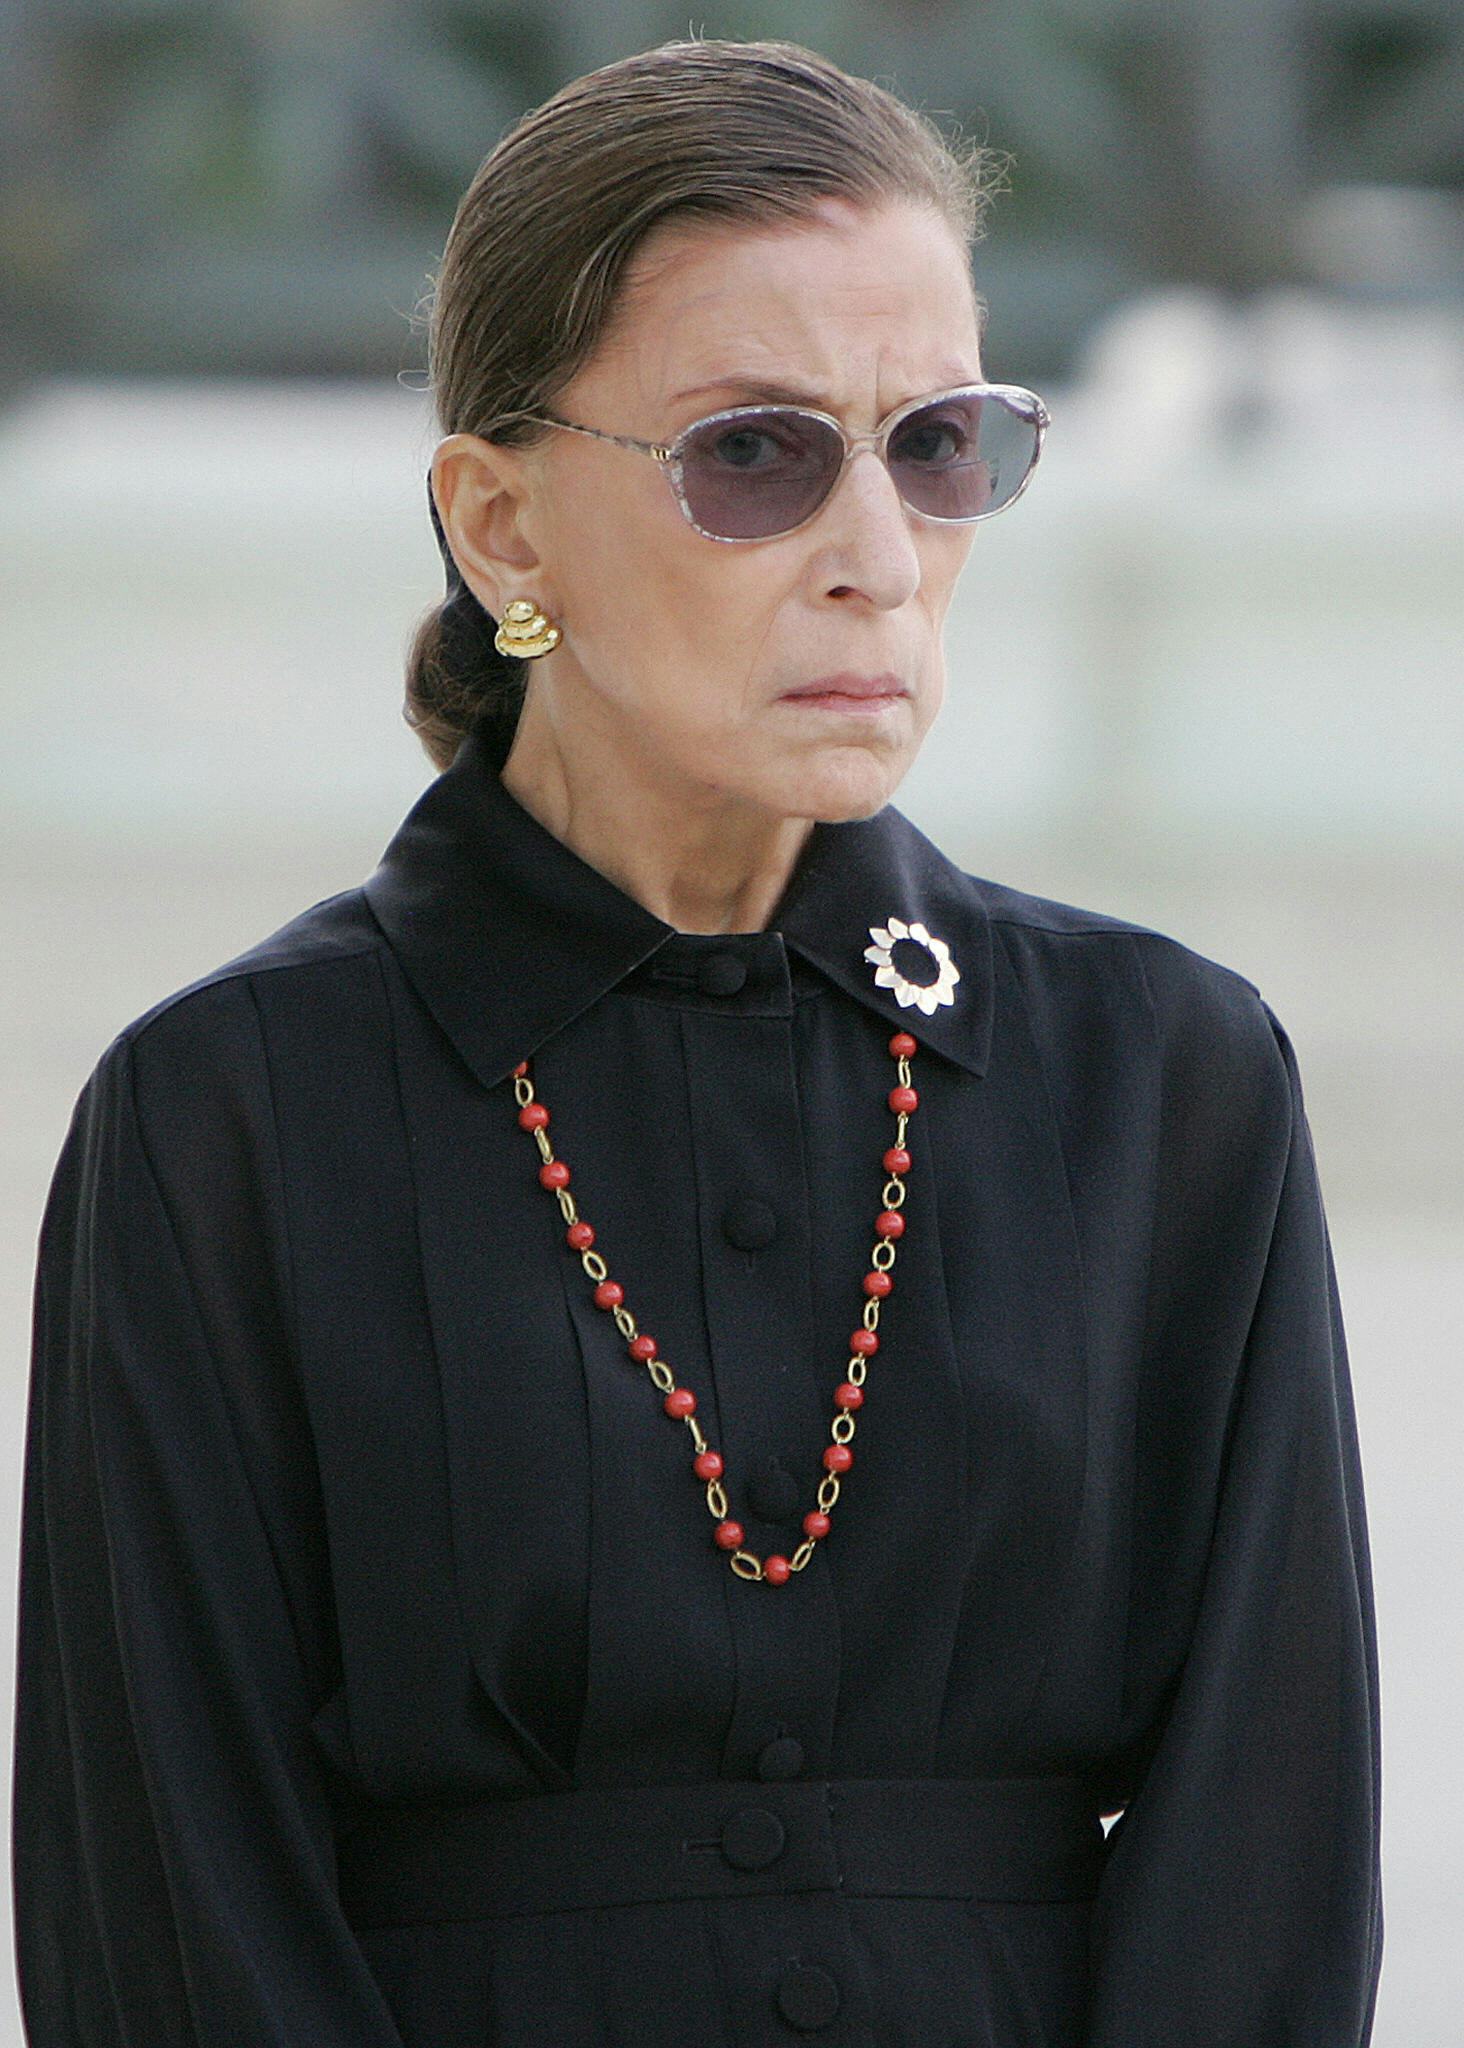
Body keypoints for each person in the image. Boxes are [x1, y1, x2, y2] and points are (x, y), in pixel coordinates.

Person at [11, 36, 1382, 2048]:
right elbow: (165, 1900)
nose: (878, 553)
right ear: (503, 529)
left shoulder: (1170, 1077)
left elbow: (1266, 1857)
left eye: (941, 444)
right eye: (756, 454)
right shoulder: (227, 1118)